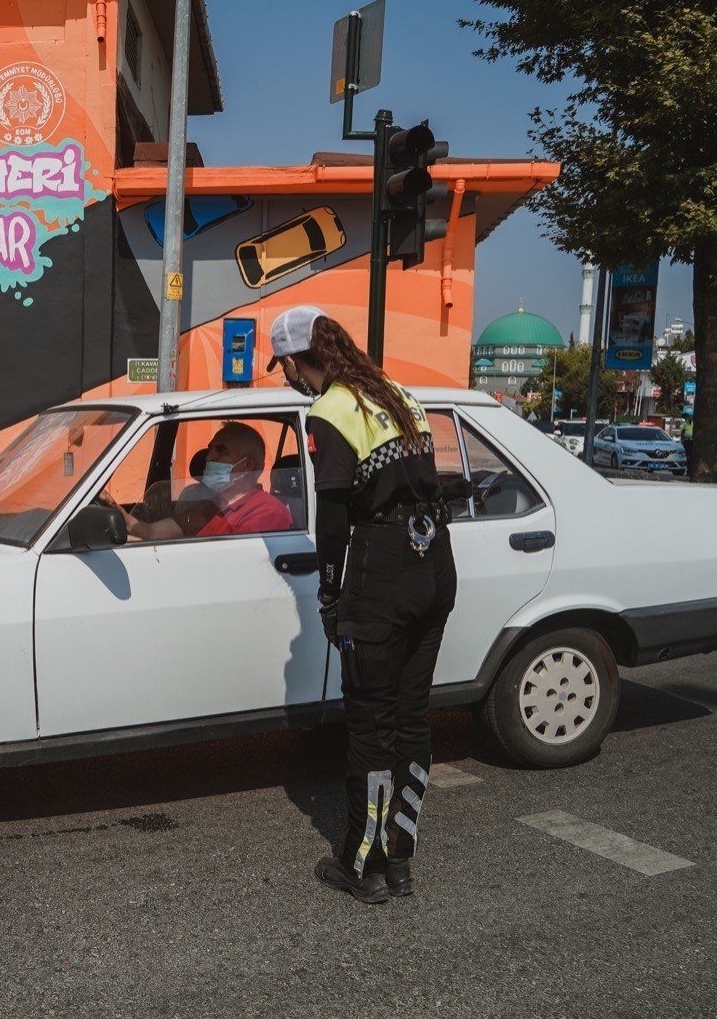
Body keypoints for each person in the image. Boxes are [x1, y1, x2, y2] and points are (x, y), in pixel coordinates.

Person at [267, 304, 458, 905]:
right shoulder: (395, 392)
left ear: (301, 361)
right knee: (410, 718)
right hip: (435, 564)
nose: (287, 378)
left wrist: (330, 591)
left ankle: (359, 863)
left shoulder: (329, 410)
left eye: (285, 367)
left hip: (382, 573)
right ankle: (400, 861)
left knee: (371, 728)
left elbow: (332, 518)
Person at [109, 422, 292, 540]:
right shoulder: (207, 506)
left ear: (248, 465)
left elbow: (237, 565)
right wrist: (112, 509)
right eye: (210, 449)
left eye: (221, 451)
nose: (209, 457)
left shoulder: (268, 512)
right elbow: (150, 532)